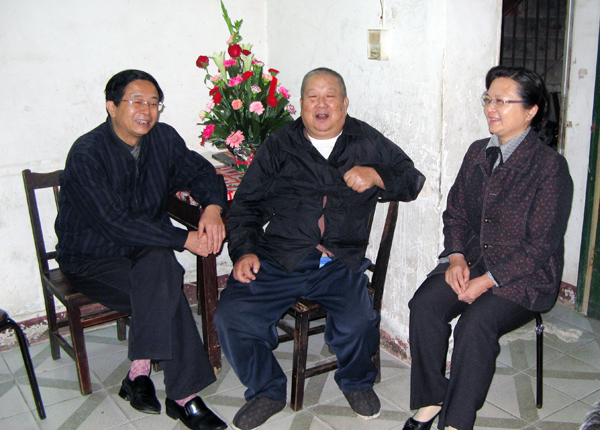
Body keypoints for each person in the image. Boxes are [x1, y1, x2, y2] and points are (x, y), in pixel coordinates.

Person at [214, 67, 426, 430]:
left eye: (330, 96)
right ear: (301, 104)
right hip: (280, 256)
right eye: (313, 97)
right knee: (232, 316)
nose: (321, 104)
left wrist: (376, 175)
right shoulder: (280, 144)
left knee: (359, 321)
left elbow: (411, 178)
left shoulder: (365, 140)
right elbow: (246, 205)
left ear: (344, 103)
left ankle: (356, 382)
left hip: (338, 260)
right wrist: (245, 251)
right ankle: (266, 390)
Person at [55, 69, 228, 430]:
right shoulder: (87, 154)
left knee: (160, 268)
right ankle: (181, 395)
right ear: (111, 106)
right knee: (166, 290)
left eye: (153, 103)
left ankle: (140, 375)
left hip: (146, 247)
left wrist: (212, 208)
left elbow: (201, 172)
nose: (146, 111)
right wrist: (184, 239)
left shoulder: (162, 140)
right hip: (92, 256)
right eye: (136, 102)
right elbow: (113, 222)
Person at [403, 65, 574, 430]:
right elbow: (456, 211)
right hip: (473, 260)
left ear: (530, 111)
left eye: (502, 101)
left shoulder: (549, 168)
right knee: (425, 305)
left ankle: (456, 422)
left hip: (525, 278)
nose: (490, 109)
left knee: (475, 324)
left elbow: (539, 246)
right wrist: (456, 256)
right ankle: (431, 399)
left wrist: (487, 281)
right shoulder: (477, 152)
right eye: (488, 99)